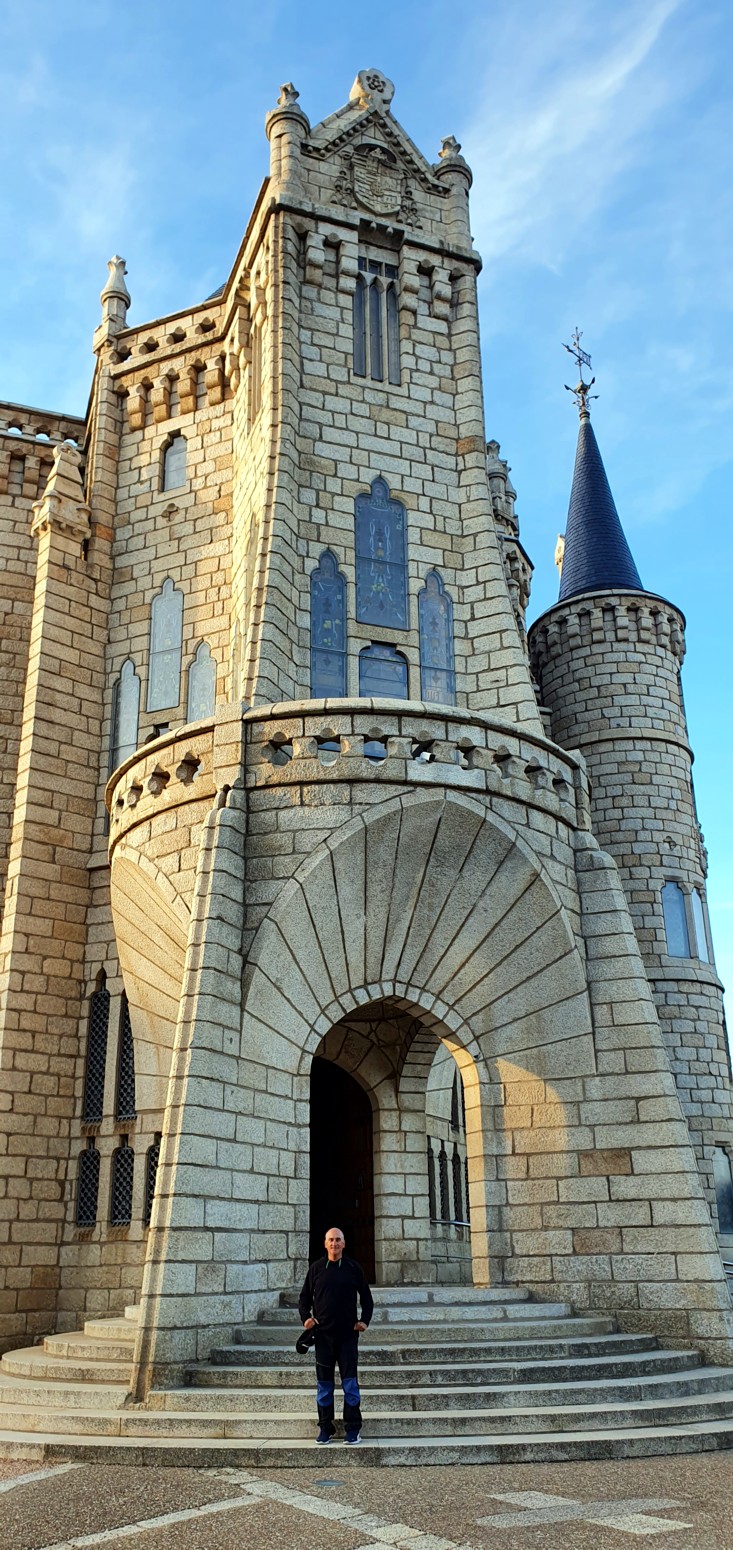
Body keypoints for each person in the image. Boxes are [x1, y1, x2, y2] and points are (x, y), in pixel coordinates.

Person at [298, 1226, 374, 1445]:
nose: (334, 1243)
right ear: (325, 1243)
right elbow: (304, 1298)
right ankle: (325, 1428)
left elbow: (367, 1299)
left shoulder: (353, 1267)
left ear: (344, 1243)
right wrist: (306, 1318)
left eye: (338, 1239)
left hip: (348, 1336)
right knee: (324, 1386)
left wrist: (364, 1321)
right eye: (331, 1240)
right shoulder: (316, 1268)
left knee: (350, 1385)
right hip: (323, 1337)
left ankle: (353, 1428)